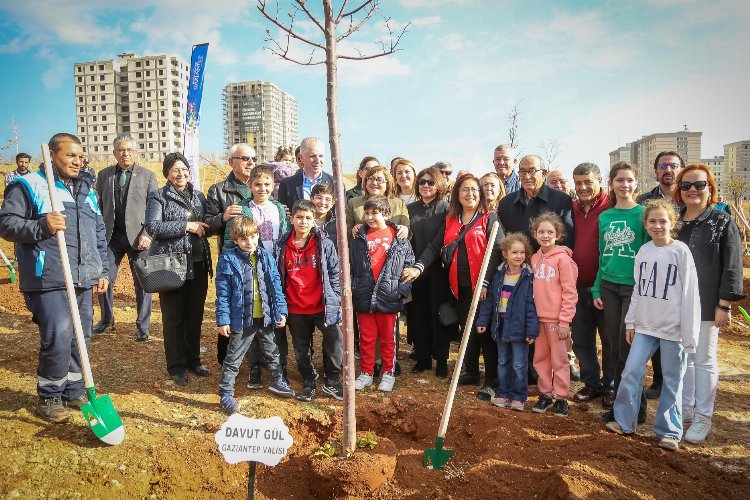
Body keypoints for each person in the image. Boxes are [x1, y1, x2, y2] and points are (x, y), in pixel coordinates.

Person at [0, 133, 109, 422]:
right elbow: (7, 224)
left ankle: (74, 389)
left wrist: (103, 270)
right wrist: (42, 226)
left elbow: (98, 233)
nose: (77, 161)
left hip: (84, 276)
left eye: (80, 156)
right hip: (47, 276)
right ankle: (49, 396)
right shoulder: (28, 185)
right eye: (70, 155)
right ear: (51, 155)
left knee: (80, 337)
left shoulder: (88, 190)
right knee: (58, 335)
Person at [605, 200, 700, 452]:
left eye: (663, 221)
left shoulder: (680, 252)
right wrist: (631, 322)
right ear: (645, 225)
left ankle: (669, 431)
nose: (658, 226)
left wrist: (689, 334)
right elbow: (638, 289)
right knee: (631, 371)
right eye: (652, 221)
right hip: (645, 326)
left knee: (672, 379)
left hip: (673, 329)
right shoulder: (644, 251)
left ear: (672, 223)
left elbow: (690, 294)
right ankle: (625, 420)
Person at [403, 173, 503, 400]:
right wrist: (419, 267)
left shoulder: (490, 218)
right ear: (457, 194)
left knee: (482, 330)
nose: (470, 194)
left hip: (482, 286)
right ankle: (470, 372)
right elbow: (434, 246)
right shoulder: (451, 220)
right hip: (458, 285)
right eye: (465, 190)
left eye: (474, 190)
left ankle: (491, 380)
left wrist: (486, 282)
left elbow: (498, 251)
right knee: (465, 327)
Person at [674, 164, 745, 444]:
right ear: (679, 191)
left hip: (706, 304)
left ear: (710, 189)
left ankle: (704, 417)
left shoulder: (722, 222)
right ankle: (686, 412)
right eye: (686, 185)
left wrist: (725, 305)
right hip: (676, 304)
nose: (692, 190)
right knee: (684, 360)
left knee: (703, 359)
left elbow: (732, 266)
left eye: (699, 185)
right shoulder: (675, 222)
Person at [145, 152, 214, 386]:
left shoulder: (199, 196)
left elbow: (207, 224)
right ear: (166, 173)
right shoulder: (158, 196)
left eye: (184, 169)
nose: (181, 174)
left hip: (198, 264)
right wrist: (187, 226)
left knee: (195, 315)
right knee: (174, 318)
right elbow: (154, 227)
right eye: (175, 170)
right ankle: (176, 365)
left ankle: (194, 359)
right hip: (172, 265)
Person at [221, 165, 291, 388]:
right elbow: (231, 239)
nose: (262, 188)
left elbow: (287, 235)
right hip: (246, 267)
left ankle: (280, 369)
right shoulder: (241, 208)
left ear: (273, 186)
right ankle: (254, 368)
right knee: (250, 318)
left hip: (272, 267)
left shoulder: (279, 208)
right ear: (250, 185)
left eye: (267, 184)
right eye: (257, 184)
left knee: (273, 319)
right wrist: (229, 265)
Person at [216, 216, 294, 415]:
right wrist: (223, 319)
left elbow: (276, 287)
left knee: (272, 351)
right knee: (233, 356)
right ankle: (226, 393)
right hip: (242, 319)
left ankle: (278, 381)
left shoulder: (266, 257)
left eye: (253, 237)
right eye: (243, 239)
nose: (249, 242)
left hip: (265, 317)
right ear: (235, 240)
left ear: (258, 235)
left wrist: (281, 311)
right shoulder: (227, 260)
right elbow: (223, 293)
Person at [592, 161, 650, 424]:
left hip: (633, 289)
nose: (624, 185)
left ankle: (636, 406)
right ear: (611, 184)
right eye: (619, 180)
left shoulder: (643, 215)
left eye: (629, 180)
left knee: (629, 348)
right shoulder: (605, 217)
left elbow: (649, 256)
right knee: (613, 348)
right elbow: (602, 254)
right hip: (609, 287)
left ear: (635, 183)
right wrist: (596, 287)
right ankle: (623, 401)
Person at [278, 200, 343, 401]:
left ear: (315, 220)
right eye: (299, 217)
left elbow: (334, 273)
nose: (303, 222)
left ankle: (332, 380)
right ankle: (309, 380)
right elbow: (278, 275)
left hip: (322, 306)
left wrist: (335, 298)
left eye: (308, 218)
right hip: (295, 307)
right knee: (301, 348)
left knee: (334, 340)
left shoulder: (324, 243)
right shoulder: (283, 245)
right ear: (292, 219)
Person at [93, 135, 158, 340]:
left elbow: (154, 209)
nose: (125, 153)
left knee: (143, 282)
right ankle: (106, 319)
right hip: (111, 237)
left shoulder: (147, 176)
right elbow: (98, 207)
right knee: (105, 279)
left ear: (136, 152)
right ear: (114, 153)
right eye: (121, 150)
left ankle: (143, 325)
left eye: (129, 149)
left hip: (139, 238)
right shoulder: (104, 176)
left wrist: (147, 234)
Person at [351, 196, 414, 392]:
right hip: (364, 294)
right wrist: (354, 287)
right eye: (367, 213)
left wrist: (400, 292)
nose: (369, 217)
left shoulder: (399, 238)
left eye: (374, 213)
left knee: (388, 338)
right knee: (366, 338)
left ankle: (388, 372)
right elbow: (351, 265)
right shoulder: (358, 238)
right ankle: (366, 373)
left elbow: (408, 265)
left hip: (389, 294)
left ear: (386, 214)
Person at [636, 151, 684, 397]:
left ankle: (680, 385)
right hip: (653, 273)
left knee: (679, 334)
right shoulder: (644, 200)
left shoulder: (689, 196)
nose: (668, 170)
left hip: (682, 273)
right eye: (663, 165)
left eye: (674, 165)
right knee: (654, 328)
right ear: (656, 171)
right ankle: (658, 381)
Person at [477, 233, 538, 411]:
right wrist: (483, 321)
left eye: (522, 252)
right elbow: (489, 302)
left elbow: (531, 306)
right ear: (505, 254)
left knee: (519, 363)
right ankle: (503, 394)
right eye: (514, 252)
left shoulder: (528, 277)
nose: (519, 256)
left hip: (519, 328)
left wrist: (531, 331)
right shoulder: (498, 275)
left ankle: (519, 397)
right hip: (500, 326)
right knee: (503, 361)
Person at [570, 163, 613, 407]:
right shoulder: (572, 207)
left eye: (588, 182)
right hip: (576, 287)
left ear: (600, 181)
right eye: (578, 183)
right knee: (582, 339)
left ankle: (610, 386)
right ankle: (591, 383)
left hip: (605, 287)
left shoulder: (611, 207)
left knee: (608, 340)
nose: (583, 187)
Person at [405, 167, 453, 378]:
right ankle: (423, 357)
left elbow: (438, 242)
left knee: (438, 316)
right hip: (414, 271)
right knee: (418, 315)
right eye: (422, 182)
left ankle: (441, 360)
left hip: (438, 271)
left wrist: (421, 265)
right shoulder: (410, 209)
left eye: (430, 182)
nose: (425, 185)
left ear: (439, 185)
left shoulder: (447, 210)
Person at [529, 213, 578, 417]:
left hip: (557, 321)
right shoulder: (534, 258)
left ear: (558, 234)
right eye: (541, 231)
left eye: (550, 232)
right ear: (535, 234)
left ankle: (562, 397)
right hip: (538, 319)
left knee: (559, 360)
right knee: (540, 359)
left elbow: (570, 293)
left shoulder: (563, 260)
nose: (545, 235)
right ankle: (546, 394)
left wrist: (565, 321)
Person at [497, 155, 574, 251]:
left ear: (544, 173)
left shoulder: (561, 200)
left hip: (548, 263)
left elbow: (566, 241)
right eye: (522, 172)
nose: (527, 176)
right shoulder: (506, 203)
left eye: (532, 171)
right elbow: (501, 240)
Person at [205, 143, 256, 249]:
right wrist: (223, 218)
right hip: (231, 256)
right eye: (245, 158)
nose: (251, 163)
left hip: (260, 255)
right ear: (231, 162)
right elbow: (206, 227)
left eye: (254, 159)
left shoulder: (263, 189)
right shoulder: (217, 190)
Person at [346, 165, 410, 237]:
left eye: (379, 180)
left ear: (387, 183)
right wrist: (354, 230)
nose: (374, 183)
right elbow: (346, 231)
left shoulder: (399, 204)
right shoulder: (354, 203)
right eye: (370, 179)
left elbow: (407, 228)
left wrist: (405, 229)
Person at [277, 137, 334, 211]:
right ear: (301, 158)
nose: (317, 160)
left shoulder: (335, 184)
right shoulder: (287, 185)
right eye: (312, 156)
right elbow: (283, 217)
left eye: (321, 156)